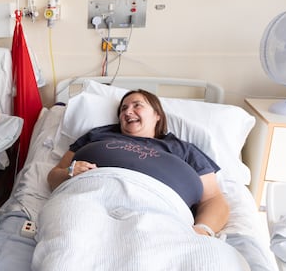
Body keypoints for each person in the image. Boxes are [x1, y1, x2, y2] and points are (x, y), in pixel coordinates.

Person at [48, 89, 230, 235]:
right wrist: (69, 172)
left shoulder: (184, 150)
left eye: (137, 105)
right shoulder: (97, 135)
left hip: (161, 212)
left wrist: (202, 230)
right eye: (123, 109)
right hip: (91, 200)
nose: (127, 112)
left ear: (157, 114)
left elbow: (213, 199)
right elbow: (54, 176)